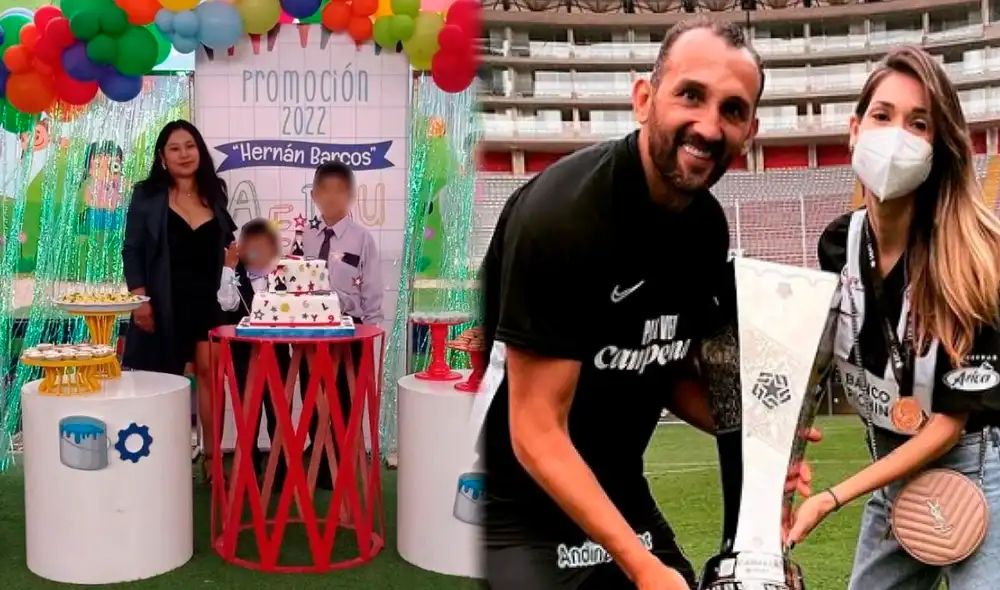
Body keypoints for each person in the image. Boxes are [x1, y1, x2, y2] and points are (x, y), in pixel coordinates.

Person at [479, 18, 818, 590]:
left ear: (750, 131)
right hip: (516, 503)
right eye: (691, 95)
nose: (708, 126)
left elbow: (658, 370)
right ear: (644, 98)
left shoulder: (706, 230)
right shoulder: (562, 216)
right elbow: (536, 431)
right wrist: (642, 569)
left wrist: (764, 438)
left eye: (732, 111)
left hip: (617, 485)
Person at [785, 46, 1000, 589]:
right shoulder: (838, 244)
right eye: (882, 116)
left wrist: (832, 498)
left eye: (918, 122)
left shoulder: (976, 255)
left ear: (938, 146)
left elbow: (950, 425)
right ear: (855, 129)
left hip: (977, 470)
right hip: (891, 465)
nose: (895, 135)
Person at [122, 119, 236, 483]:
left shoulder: (213, 193)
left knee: (210, 378)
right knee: (164, 382)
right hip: (163, 302)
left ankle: (213, 460)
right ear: (162, 156)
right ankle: (164, 460)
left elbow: (226, 245)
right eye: (175, 148)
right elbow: (133, 250)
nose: (184, 154)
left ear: (199, 150)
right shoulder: (147, 195)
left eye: (190, 146)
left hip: (209, 303)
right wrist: (140, 300)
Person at [300, 161, 384, 488]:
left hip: (350, 328)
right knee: (311, 391)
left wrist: (372, 331)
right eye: (326, 190)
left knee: (344, 396)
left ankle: (343, 459)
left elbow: (373, 287)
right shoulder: (304, 235)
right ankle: (320, 458)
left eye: (340, 191)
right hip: (310, 327)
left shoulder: (362, 238)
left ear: (350, 195)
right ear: (316, 194)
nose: (332, 197)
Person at [217, 218, 289, 481]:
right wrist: (228, 268)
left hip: (278, 356)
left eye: (264, 246)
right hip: (244, 358)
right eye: (252, 246)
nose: (258, 252)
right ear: (242, 249)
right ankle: (249, 467)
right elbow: (226, 304)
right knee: (248, 414)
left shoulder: (282, 277)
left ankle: (280, 469)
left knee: (278, 413)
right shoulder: (236, 279)